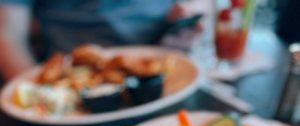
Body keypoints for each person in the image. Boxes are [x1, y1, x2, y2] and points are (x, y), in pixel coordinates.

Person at [0, 0, 202, 81]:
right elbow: (7, 34)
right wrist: (39, 96)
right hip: (79, 78)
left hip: (168, 64)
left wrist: (187, 14)